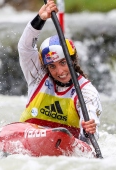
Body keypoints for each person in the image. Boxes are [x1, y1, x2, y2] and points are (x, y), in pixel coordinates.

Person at [18, 0, 102, 143]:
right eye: (52, 66)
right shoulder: (38, 76)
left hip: (61, 146)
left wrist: (88, 130)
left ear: (73, 60)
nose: (60, 71)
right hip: (28, 143)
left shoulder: (87, 92)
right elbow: (25, 48)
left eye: (63, 62)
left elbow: (90, 123)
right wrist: (40, 19)